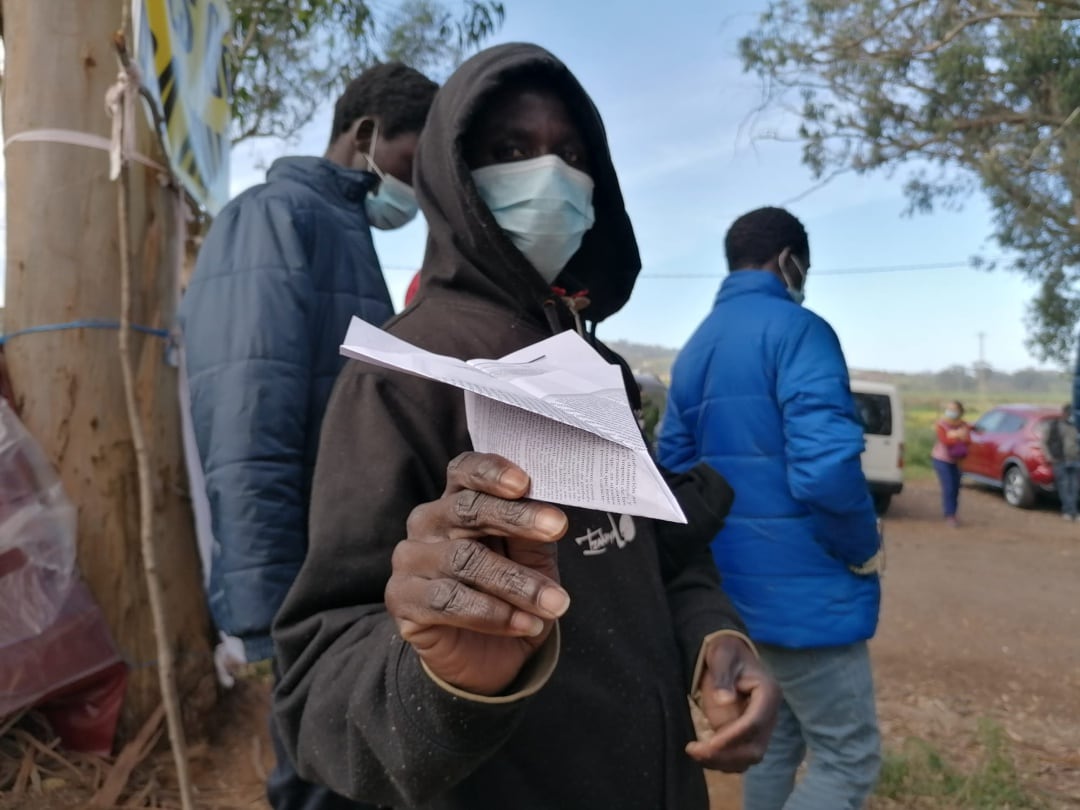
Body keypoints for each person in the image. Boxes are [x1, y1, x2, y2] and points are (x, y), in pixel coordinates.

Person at [272, 44, 780, 810]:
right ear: (453, 172)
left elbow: (659, 558)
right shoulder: (405, 371)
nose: (549, 177)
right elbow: (316, 690)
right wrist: (443, 682)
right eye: (509, 149)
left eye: (571, 154)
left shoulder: (591, 366)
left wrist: (716, 637)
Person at [179, 62, 438, 810]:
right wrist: (266, 613)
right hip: (305, 590)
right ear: (365, 135)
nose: (419, 189)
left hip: (349, 580)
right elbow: (244, 419)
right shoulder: (273, 217)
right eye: (412, 163)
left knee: (353, 772)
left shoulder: (342, 230)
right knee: (322, 780)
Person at [658, 206, 884, 810]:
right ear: (789, 261)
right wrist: (863, 550)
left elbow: (673, 475)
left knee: (776, 741)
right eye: (802, 267)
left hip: (732, 596)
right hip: (808, 593)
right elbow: (827, 469)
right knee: (847, 758)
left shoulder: (695, 348)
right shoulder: (800, 331)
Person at [932, 400, 972, 527]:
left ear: (960, 411)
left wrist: (954, 435)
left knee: (955, 488)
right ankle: (950, 515)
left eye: (954, 409)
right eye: (949, 409)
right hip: (941, 459)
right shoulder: (941, 425)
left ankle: (953, 513)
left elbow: (968, 441)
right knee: (948, 487)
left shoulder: (964, 425)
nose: (951, 412)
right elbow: (945, 441)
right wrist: (959, 436)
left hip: (958, 461)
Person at [1041, 403, 1080, 521]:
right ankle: (1068, 511)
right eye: (1069, 413)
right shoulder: (1053, 426)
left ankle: (1073, 511)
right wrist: (1049, 457)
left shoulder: (1074, 427)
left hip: (1074, 460)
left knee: (1074, 487)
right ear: (1064, 413)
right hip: (1059, 460)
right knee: (1064, 487)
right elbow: (1044, 442)